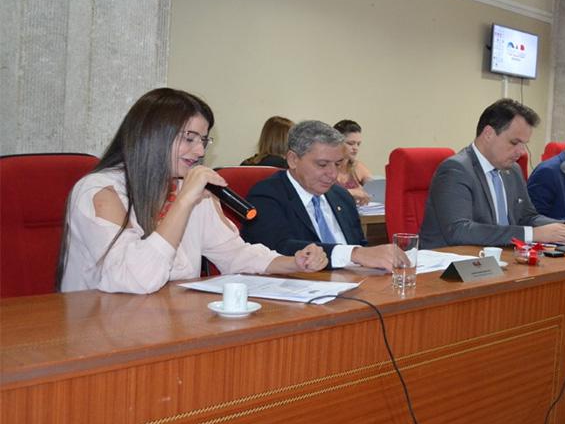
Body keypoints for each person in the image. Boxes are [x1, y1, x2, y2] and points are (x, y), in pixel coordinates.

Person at [57, 88, 327, 294]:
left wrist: (294, 262)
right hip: (101, 328)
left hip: (168, 320)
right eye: (189, 139)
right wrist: (184, 201)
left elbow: (234, 254)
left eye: (203, 140)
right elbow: (136, 280)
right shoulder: (100, 192)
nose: (199, 151)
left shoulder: (187, 189)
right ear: (153, 136)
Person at [242, 120, 401, 271]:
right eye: (322, 164)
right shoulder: (266, 195)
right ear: (293, 160)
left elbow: (360, 246)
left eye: (338, 164)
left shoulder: (341, 196)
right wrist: (353, 254)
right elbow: (278, 248)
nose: (333, 174)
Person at [419, 98, 565, 249]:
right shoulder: (456, 170)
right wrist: (531, 234)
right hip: (451, 260)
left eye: (524, 144)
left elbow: (527, 217)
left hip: (499, 258)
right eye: (514, 142)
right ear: (488, 134)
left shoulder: (513, 170)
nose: (521, 151)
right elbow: (460, 231)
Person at [333, 120, 374, 205]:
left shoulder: (357, 166)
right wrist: (352, 192)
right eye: (350, 143)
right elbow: (322, 194)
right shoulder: (326, 167)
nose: (356, 148)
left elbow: (375, 190)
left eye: (358, 144)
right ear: (336, 143)